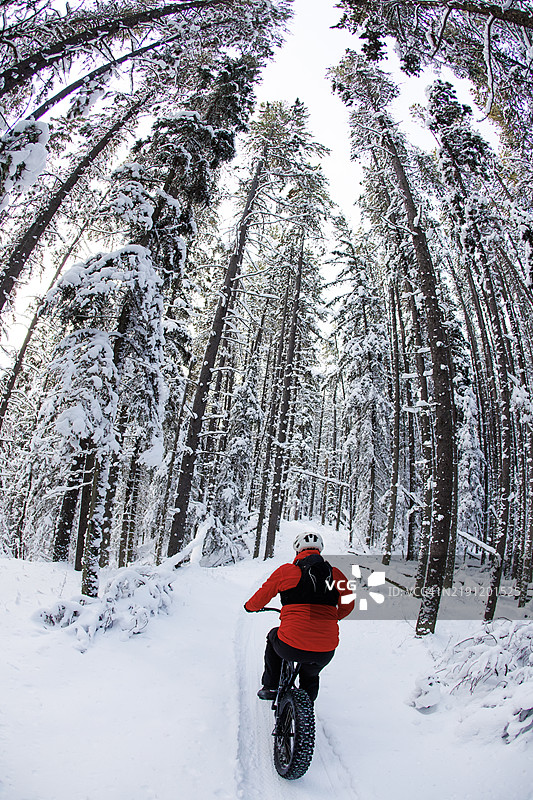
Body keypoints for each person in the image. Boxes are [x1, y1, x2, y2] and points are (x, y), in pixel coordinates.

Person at [244, 532, 355, 702]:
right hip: (325, 649)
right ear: (320, 550)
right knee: (311, 674)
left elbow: (262, 596)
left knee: (273, 637)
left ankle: (271, 686)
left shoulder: (287, 571)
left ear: (297, 550)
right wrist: (334, 617)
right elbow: (349, 604)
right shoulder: (335, 574)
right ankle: (307, 704)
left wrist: (250, 607)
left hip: (290, 644)